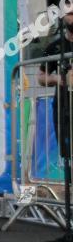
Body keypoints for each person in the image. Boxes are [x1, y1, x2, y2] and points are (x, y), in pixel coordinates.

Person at [37, 12, 73, 160]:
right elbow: (40, 77)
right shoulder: (55, 46)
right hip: (64, 108)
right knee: (68, 155)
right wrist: (57, 78)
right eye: (70, 13)